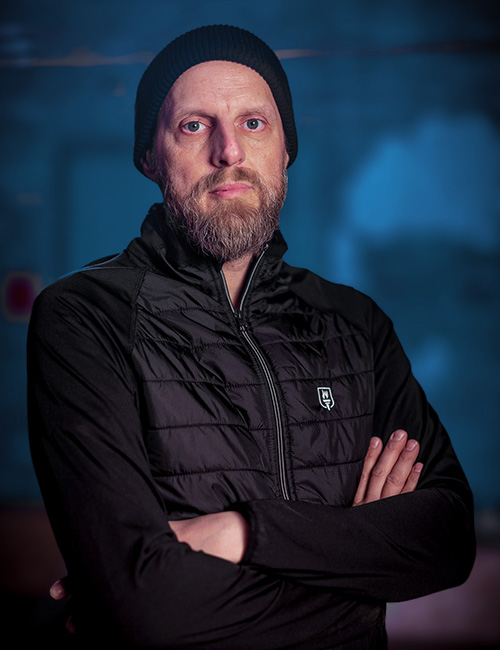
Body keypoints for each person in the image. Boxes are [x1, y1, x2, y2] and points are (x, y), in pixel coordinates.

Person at [28, 24, 475, 649]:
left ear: (285, 149)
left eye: (254, 123)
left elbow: (447, 540)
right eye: (194, 125)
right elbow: (146, 606)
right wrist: (362, 578)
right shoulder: (84, 318)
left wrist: (239, 532)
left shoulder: (355, 324)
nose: (229, 150)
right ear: (150, 157)